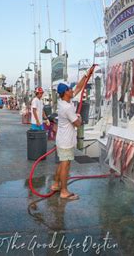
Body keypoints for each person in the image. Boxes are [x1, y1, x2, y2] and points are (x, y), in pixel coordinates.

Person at [51, 66, 95, 200]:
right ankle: (64, 191)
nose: (72, 90)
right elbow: (78, 124)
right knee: (65, 165)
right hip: (66, 141)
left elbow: (78, 88)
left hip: (62, 140)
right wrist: (80, 117)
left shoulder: (63, 101)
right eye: (69, 89)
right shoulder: (67, 107)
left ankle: (56, 184)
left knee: (61, 163)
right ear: (66, 92)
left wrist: (86, 76)